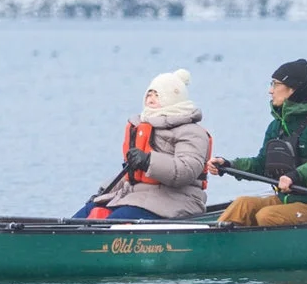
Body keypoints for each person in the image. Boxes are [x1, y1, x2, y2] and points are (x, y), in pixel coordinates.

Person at [207, 58, 307, 228]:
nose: (270, 91)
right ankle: (214, 248)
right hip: (285, 200)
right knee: (241, 205)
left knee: (268, 216)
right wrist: (229, 165)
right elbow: (262, 164)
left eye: (275, 84)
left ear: (292, 89)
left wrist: (296, 176)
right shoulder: (276, 126)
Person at [72, 68, 211, 220]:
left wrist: (148, 161)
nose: (150, 99)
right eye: (149, 94)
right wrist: (103, 192)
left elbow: (186, 170)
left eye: (158, 95)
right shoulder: (141, 126)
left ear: (173, 98)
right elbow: (128, 175)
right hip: (138, 196)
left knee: (120, 218)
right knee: (89, 212)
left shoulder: (191, 132)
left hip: (177, 200)